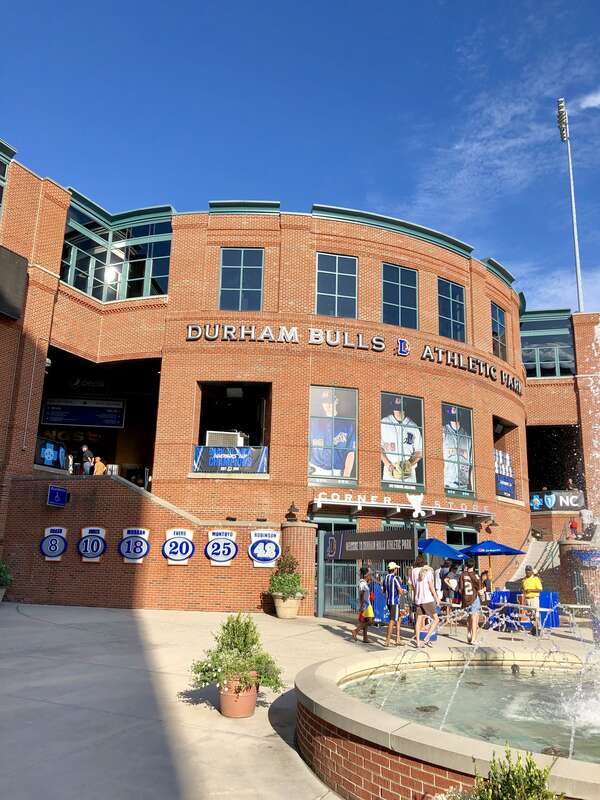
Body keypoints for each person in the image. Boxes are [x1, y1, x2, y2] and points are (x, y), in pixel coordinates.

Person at [309, 388, 356, 479]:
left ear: (336, 400)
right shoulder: (313, 422)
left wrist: (346, 477)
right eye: (325, 401)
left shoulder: (347, 424)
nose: (328, 404)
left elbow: (350, 452)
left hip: (337, 472)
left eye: (331, 399)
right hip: (315, 469)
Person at [380, 395, 423, 486]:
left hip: (409, 477)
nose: (398, 404)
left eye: (400, 402)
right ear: (392, 405)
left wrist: (409, 464)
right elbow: (378, 448)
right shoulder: (384, 423)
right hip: (389, 474)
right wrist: (388, 464)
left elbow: (420, 451)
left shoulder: (413, 426)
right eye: (396, 402)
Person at [409, 556, 440, 648]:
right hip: (427, 599)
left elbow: (412, 585)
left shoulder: (413, 571)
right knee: (436, 619)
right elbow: (431, 586)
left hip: (418, 599)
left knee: (418, 620)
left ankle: (418, 642)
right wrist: (436, 598)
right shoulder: (427, 571)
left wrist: (416, 594)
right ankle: (427, 637)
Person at [442, 406, 472, 492]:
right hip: (448, 484)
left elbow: (472, 466)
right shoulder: (443, 432)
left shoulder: (467, 437)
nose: (453, 410)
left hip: (463, 486)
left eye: (455, 409)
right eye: (452, 409)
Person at [458, 559, 481, 645]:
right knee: (474, 617)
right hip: (474, 598)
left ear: (466, 565)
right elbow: (479, 588)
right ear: (474, 566)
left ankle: (469, 632)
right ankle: (473, 639)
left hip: (465, 598)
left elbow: (460, 589)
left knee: (469, 616)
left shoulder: (462, 575)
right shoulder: (475, 575)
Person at [383, 562, 406, 647]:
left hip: (388, 601)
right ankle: (387, 640)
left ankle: (398, 639)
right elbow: (400, 591)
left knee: (398, 618)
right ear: (394, 569)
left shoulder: (385, 578)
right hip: (395, 602)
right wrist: (403, 592)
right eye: (396, 568)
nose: (397, 570)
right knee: (392, 620)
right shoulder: (395, 578)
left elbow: (383, 590)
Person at [351, 566, 372, 643]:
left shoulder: (364, 583)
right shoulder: (362, 583)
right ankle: (355, 631)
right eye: (369, 574)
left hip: (366, 603)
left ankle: (365, 638)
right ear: (366, 575)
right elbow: (361, 594)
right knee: (370, 621)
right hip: (366, 604)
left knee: (366, 620)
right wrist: (362, 605)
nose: (370, 575)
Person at [522, 565, 543, 636]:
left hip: (534, 598)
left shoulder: (535, 579)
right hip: (527, 599)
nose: (527, 572)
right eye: (526, 570)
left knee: (535, 615)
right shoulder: (524, 580)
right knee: (530, 615)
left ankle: (538, 629)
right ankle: (534, 629)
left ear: (531, 571)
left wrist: (530, 590)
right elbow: (522, 588)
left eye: (529, 570)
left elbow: (540, 589)